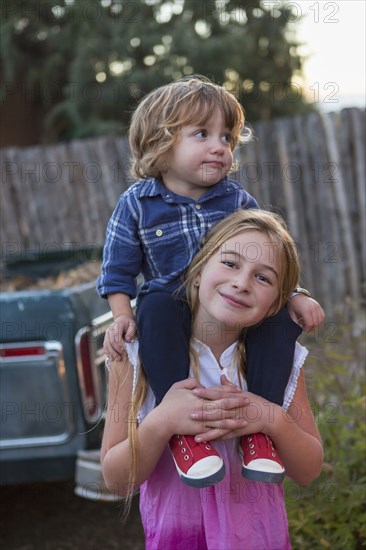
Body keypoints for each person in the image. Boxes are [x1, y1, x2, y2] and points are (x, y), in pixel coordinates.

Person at [97, 76, 324, 485]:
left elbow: (266, 257)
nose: (220, 146)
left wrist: (294, 294)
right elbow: (117, 269)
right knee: (156, 303)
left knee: (277, 323)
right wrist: (120, 316)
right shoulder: (137, 203)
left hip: (232, 320)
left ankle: (258, 432)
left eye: (227, 137)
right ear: (161, 140)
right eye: (203, 134)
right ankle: (182, 429)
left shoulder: (235, 200)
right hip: (168, 308)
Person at [101, 209, 324, 550]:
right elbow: (116, 480)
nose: (241, 283)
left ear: (275, 304)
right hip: (179, 540)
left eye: (263, 278)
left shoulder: (282, 361)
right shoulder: (136, 356)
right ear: (198, 271)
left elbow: (309, 470)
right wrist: (162, 421)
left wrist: (270, 418)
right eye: (230, 264)